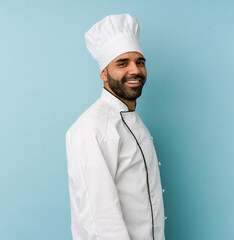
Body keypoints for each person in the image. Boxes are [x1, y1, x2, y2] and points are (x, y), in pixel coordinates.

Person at [66, 14, 165, 240]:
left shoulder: (133, 120)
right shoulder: (91, 128)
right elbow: (99, 218)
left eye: (140, 62)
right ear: (104, 73)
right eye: (122, 63)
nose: (135, 71)